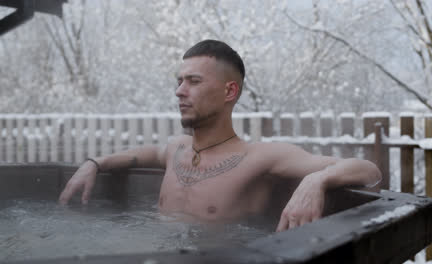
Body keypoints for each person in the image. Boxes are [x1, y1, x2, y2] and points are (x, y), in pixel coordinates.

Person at [59, 39, 381, 232]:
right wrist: (94, 163)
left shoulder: (259, 158)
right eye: (179, 81)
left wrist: (317, 180)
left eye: (193, 82)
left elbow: (368, 171)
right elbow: (142, 154)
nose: (179, 92)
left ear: (230, 91)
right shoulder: (177, 149)